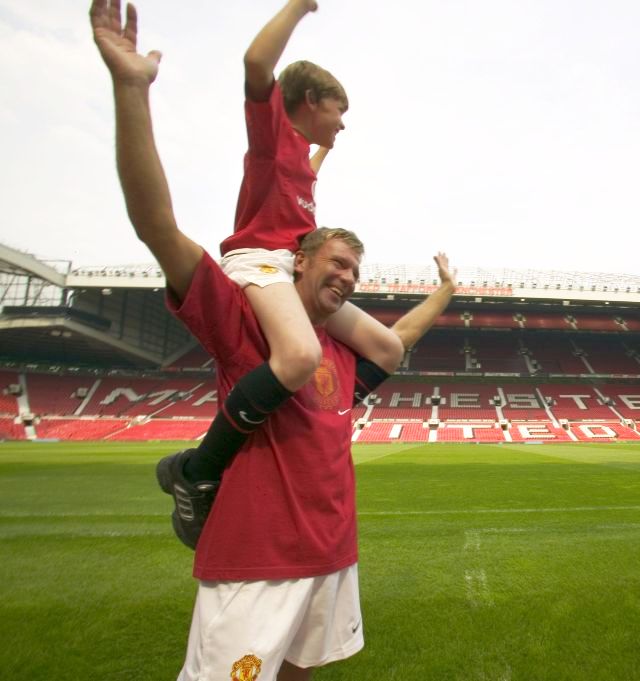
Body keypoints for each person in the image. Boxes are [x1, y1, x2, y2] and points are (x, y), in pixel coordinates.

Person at [89, 3, 453, 678]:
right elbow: (156, 224)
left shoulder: (342, 354)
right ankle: (197, 469)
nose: (345, 276)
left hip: (330, 553)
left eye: (354, 269)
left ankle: (199, 467)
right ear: (299, 262)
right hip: (256, 558)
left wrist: (445, 293)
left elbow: (394, 340)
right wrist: (130, 89)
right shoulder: (245, 318)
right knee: (298, 353)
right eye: (333, 263)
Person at [156, 0, 405, 547]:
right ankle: (198, 472)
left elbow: (306, 178)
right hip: (258, 263)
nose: (343, 121)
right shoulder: (272, 140)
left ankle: (318, 409)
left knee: (388, 348)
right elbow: (254, 63)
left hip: (290, 268)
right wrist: (299, 7)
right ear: (311, 100)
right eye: (340, 110)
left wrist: (324, 153)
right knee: (298, 356)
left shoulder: (301, 164)